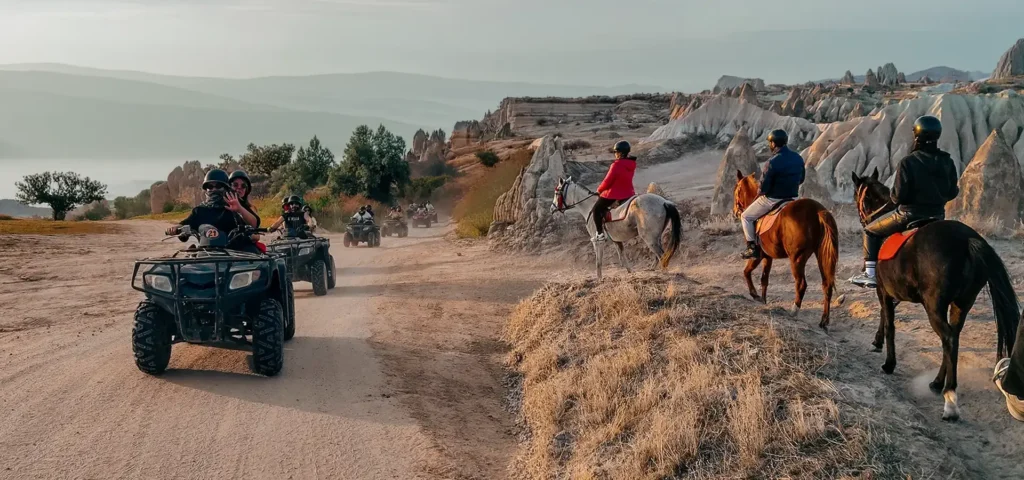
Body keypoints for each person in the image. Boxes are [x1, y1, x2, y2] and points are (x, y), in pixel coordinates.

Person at [849, 115, 959, 288]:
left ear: (917, 136)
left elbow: (898, 197)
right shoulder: (948, 161)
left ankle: (870, 274)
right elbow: (953, 192)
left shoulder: (909, 162)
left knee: (870, 231)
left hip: (909, 214)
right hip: (938, 215)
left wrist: (894, 198)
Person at [740, 129, 805, 259]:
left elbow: (764, 187)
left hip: (772, 200)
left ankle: (752, 247)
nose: (770, 145)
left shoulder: (772, 162)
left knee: (745, 216)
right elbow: (802, 179)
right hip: (792, 198)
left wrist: (759, 192)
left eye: (770, 143)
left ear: (773, 144)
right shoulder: (798, 158)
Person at [164, 169, 259, 253]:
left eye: (218, 186)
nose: (214, 189)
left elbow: (254, 225)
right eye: (210, 186)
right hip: (207, 254)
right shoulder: (199, 210)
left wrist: (239, 209)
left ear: (226, 188)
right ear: (206, 190)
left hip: (234, 254)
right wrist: (175, 228)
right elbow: (186, 223)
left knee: (256, 265)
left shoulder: (234, 206)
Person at [590, 140, 637, 242]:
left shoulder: (616, 165)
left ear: (620, 153)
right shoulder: (631, 164)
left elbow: (607, 181)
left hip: (615, 194)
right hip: (629, 193)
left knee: (596, 210)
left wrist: (599, 190)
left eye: (616, 152)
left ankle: (600, 234)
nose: (615, 154)